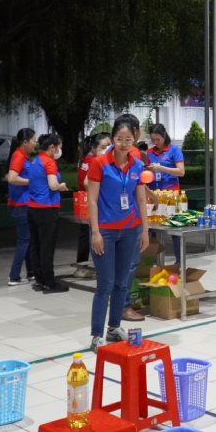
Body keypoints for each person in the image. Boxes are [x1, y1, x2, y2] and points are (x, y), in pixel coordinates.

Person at [85, 117, 149, 352]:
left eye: (128, 140)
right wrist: (95, 232)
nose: (123, 144)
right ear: (112, 139)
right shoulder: (99, 163)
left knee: (123, 283)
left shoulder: (137, 163)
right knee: (105, 284)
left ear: (135, 139)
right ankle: (95, 334)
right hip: (105, 232)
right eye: (119, 139)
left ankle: (113, 328)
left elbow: (140, 199)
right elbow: (92, 200)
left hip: (130, 229)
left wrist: (145, 229)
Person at [27, 133, 70, 293]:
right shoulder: (49, 162)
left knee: (36, 246)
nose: (60, 150)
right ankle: (50, 282)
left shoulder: (35, 160)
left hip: (32, 209)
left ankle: (39, 280)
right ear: (52, 147)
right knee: (47, 247)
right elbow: (52, 185)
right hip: (46, 209)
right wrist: (61, 185)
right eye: (59, 147)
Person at [145, 123, 186, 263]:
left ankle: (179, 261)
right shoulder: (150, 153)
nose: (156, 143)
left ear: (164, 136)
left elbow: (181, 171)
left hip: (171, 195)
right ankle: (153, 261)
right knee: (153, 229)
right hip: (154, 195)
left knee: (174, 228)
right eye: (153, 140)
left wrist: (161, 168)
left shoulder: (174, 150)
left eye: (158, 139)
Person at [6, 128, 36, 286]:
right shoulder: (18, 156)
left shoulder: (23, 156)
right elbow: (12, 178)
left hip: (23, 204)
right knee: (24, 240)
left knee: (27, 239)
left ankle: (31, 272)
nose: (35, 143)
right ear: (25, 142)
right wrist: (32, 182)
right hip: (20, 205)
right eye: (33, 140)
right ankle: (14, 275)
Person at [77, 132, 112, 264]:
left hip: (85, 201)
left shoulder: (85, 159)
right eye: (104, 147)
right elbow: (87, 183)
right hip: (92, 203)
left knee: (85, 234)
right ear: (94, 148)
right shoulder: (95, 161)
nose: (107, 150)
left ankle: (81, 264)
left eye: (109, 146)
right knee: (91, 235)